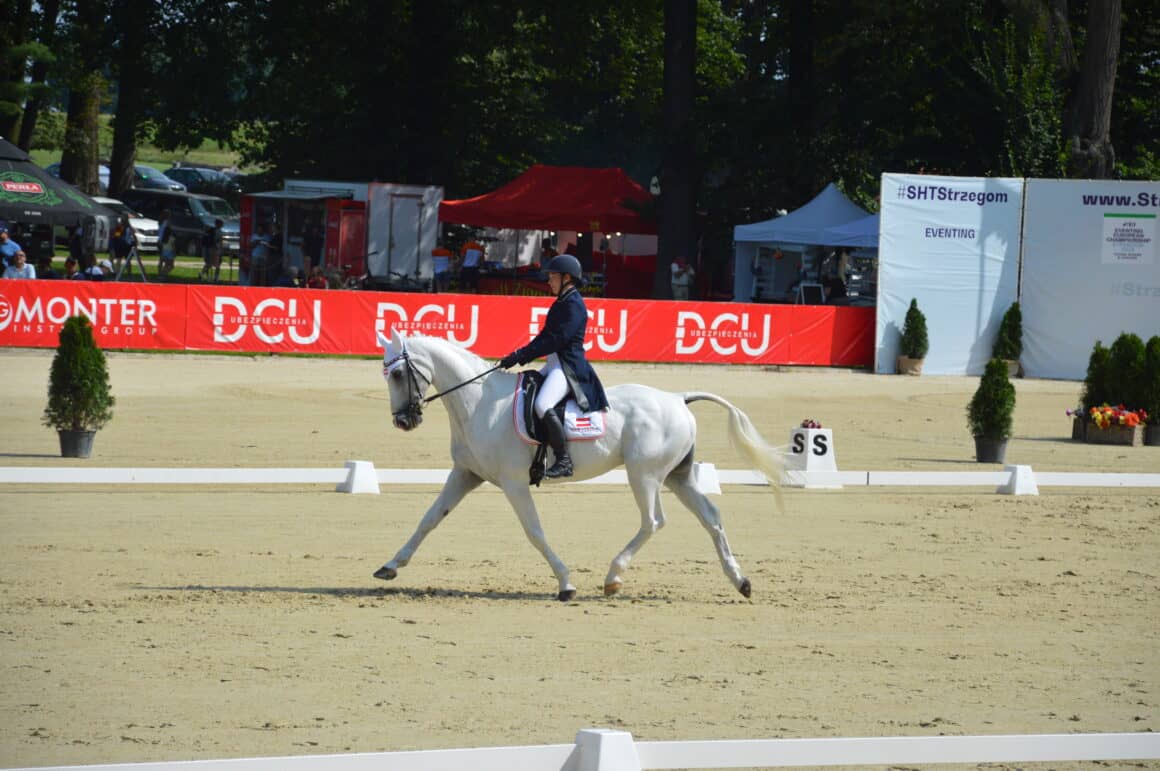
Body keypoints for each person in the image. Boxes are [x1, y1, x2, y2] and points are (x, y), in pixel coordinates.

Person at [496, 254, 609, 479]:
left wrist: (521, 354)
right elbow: (544, 337)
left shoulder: (574, 305)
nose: (548, 281)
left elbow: (556, 340)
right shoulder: (561, 303)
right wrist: (517, 357)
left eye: (552, 276)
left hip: (568, 369)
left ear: (567, 277)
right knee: (525, 391)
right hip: (554, 363)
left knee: (542, 404)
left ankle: (563, 458)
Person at [156, 210, 177, 280]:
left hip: (161, 240)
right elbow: (169, 229)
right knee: (169, 264)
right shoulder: (167, 222)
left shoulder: (160, 222)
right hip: (166, 242)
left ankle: (160, 274)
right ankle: (162, 274)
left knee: (161, 260)